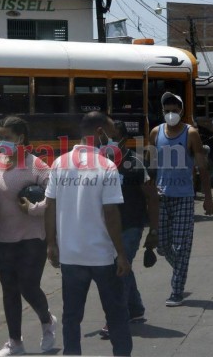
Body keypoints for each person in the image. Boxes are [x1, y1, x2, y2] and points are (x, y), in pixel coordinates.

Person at [45, 111, 132, 356]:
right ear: (100, 133)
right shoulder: (107, 166)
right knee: (116, 314)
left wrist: (51, 243)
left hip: (71, 256)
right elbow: (111, 213)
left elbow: (49, 205)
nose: (115, 139)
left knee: (71, 316)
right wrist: (121, 254)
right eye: (112, 133)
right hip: (103, 256)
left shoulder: (60, 163)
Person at [0, 116, 56, 356]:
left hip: (32, 236)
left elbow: (53, 200)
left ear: (20, 138)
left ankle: (47, 322)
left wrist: (33, 209)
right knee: (9, 290)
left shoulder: (38, 166)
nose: (1, 141)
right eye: (0, 136)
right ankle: (15, 341)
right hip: (3, 236)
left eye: (7, 137)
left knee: (28, 286)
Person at [149, 92, 213, 307]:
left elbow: (202, 167)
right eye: (167, 110)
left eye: (174, 111)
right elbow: (151, 167)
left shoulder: (191, 134)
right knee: (163, 245)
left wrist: (208, 199)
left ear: (181, 111)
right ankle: (181, 269)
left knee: (182, 245)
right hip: (161, 196)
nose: (170, 114)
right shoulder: (155, 133)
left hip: (184, 196)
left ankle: (176, 290)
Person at [100, 120, 159, 338]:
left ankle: (115, 318)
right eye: (105, 138)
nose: (107, 141)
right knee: (124, 267)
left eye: (112, 137)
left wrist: (154, 231)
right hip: (106, 228)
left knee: (118, 269)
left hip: (131, 226)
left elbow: (152, 198)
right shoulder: (97, 163)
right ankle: (135, 309)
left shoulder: (135, 163)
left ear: (123, 139)